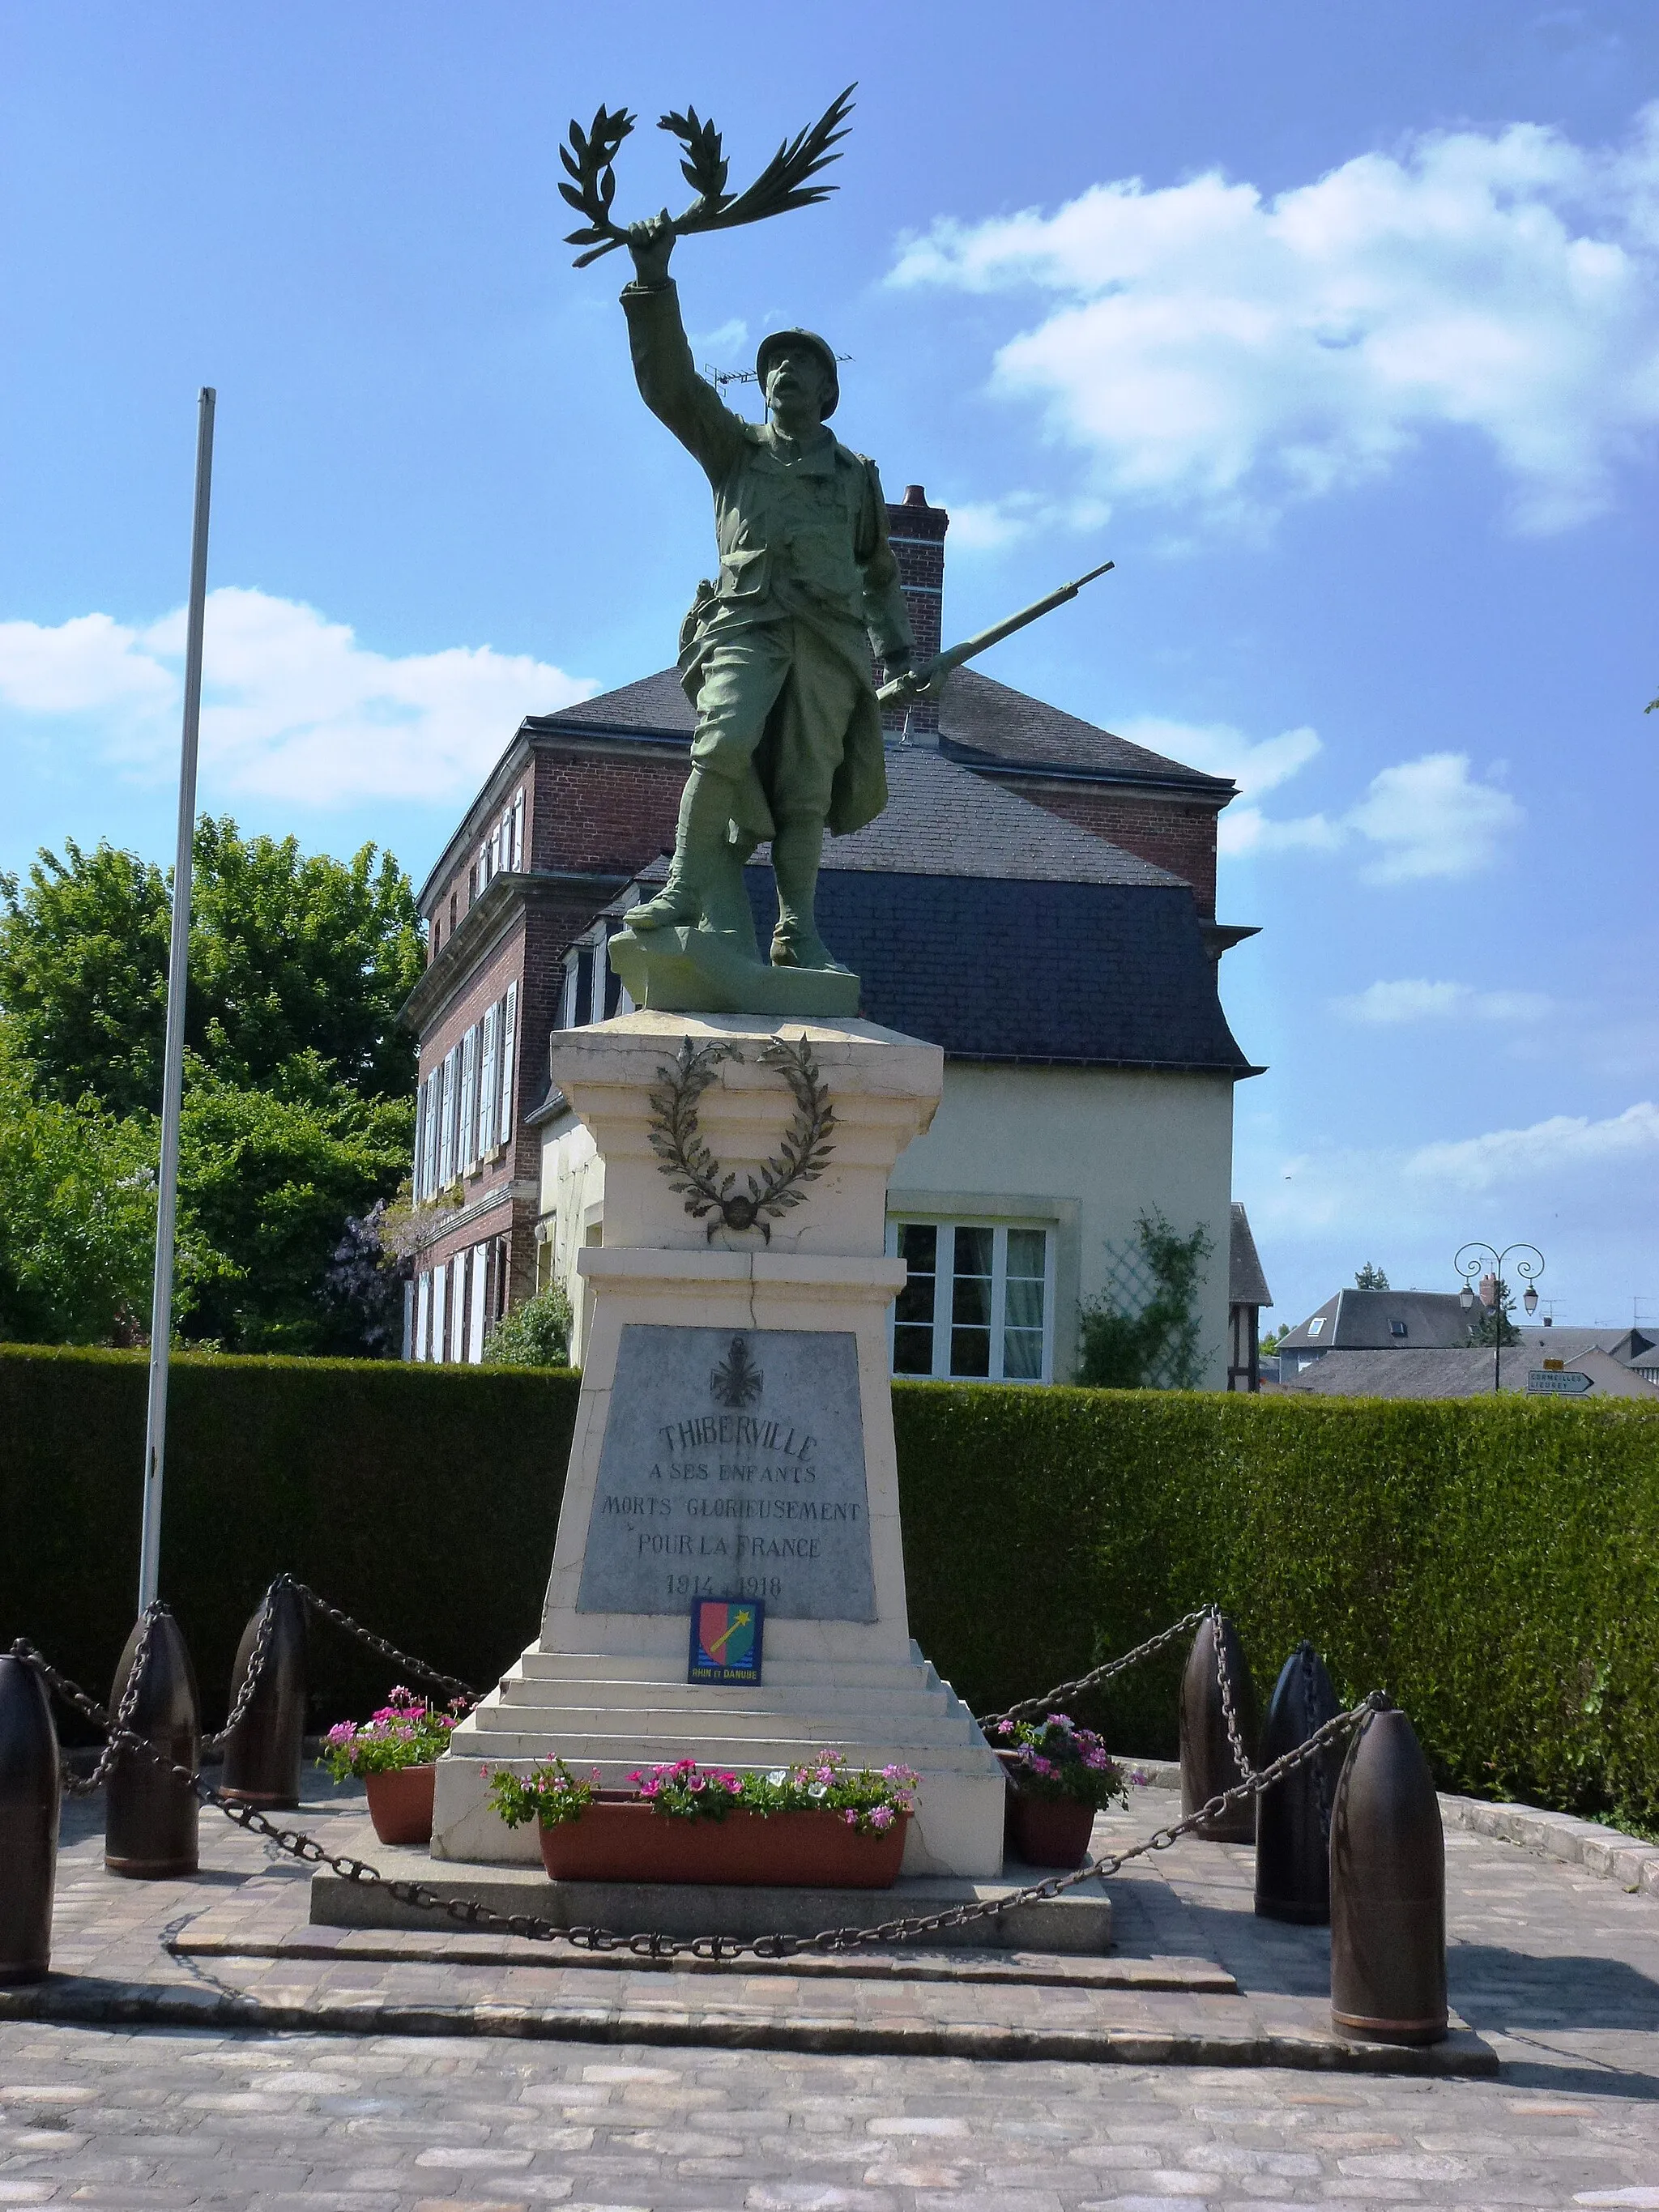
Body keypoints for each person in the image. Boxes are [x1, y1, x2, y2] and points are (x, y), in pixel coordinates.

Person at [617, 214, 917, 972]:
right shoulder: (734, 449)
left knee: (805, 794)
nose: (784, 370)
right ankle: (685, 887)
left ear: (828, 388)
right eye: (774, 362)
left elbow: (878, 570)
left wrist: (900, 652)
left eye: (800, 362)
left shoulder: (856, 477)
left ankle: (797, 930)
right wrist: (654, 283)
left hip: (827, 641)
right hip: (747, 625)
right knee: (718, 746)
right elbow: (670, 386)